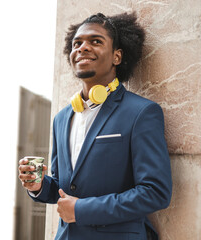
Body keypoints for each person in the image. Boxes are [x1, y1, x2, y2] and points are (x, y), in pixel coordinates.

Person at [18, 12, 172, 240]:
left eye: (95, 41)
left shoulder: (141, 113)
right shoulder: (61, 118)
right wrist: (39, 186)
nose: (82, 48)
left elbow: (155, 192)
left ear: (117, 57)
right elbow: (64, 188)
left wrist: (80, 210)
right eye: (77, 43)